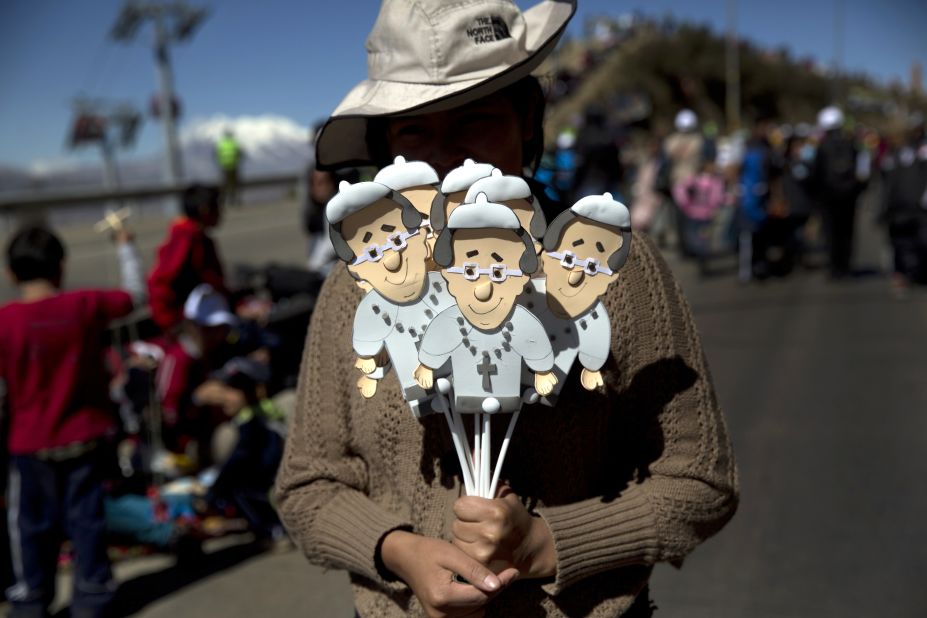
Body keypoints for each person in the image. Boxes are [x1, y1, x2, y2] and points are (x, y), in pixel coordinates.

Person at [275, 2, 738, 617]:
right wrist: (398, 551)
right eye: (414, 130)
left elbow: (701, 481)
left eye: (476, 120)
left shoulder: (615, 271)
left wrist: (553, 544)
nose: (449, 158)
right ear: (386, 144)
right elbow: (307, 485)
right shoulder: (354, 287)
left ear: (527, 118)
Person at [0, 226, 141, 618]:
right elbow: (136, 297)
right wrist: (126, 249)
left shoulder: (5, 322)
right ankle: (92, 597)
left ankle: (30, 600)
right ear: (61, 268)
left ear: (11, 274)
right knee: (87, 523)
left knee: (29, 529)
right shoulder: (84, 305)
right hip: (84, 438)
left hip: (29, 447)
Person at [147, 184, 228, 332]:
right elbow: (162, 281)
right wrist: (172, 323)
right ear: (205, 210)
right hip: (187, 323)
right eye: (217, 207)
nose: (222, 213)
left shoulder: (198, 237)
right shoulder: (185, 239)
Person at [811, 106, 865, 279]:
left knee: (831, 233)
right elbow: (862, 171)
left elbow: (816, 173)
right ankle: (846, 266)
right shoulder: (851, 144)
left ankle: (835, 267)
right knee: (847, 232)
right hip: (849, 197)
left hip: (829, 197)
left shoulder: (822, 147)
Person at [215, 129, 244, 207]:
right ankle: (235, 200)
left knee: (224, 184)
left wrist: (221, 162)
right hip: (234, 166)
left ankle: (223, 201)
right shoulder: (234, 143)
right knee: (235, 184)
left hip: (224, 167)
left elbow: (217, 154)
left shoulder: (221, 144)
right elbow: (240, 153)